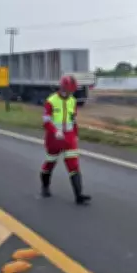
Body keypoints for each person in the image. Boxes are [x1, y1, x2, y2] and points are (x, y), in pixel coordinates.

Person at [40, 75, 91, 204]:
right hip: (53, 138)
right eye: (68, 90)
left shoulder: (72, 101)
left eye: (72, 91)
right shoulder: (51, 101)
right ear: (62, 88)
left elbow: (73, 120)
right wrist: (55, 131)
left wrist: (76, 135)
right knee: (50, 163)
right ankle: (45, 187)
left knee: (73, 165)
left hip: (69, 137)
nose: (70, 93)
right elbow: (46, 121)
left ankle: (79, 196)